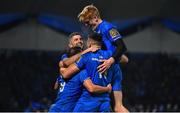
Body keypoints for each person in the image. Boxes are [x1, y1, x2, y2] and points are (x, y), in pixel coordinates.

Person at [78, 5, 129, 112]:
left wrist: (110, 61)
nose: (87, 25)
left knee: (91, 97)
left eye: (88, 22)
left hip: (108, 67)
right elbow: (117, 51)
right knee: (118, 107)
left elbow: (122, 46)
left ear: (95, 17)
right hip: (113, 67)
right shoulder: (98, 31)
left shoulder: (107, 27)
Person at [49, 32, 111, 112]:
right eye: (76, 40)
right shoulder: (77, 66)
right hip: (68, 107)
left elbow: (56, 86)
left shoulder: (86, 59)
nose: (79, 41)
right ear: (70, 45)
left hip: (59, 106)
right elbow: (65, 64)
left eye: (81, 39)